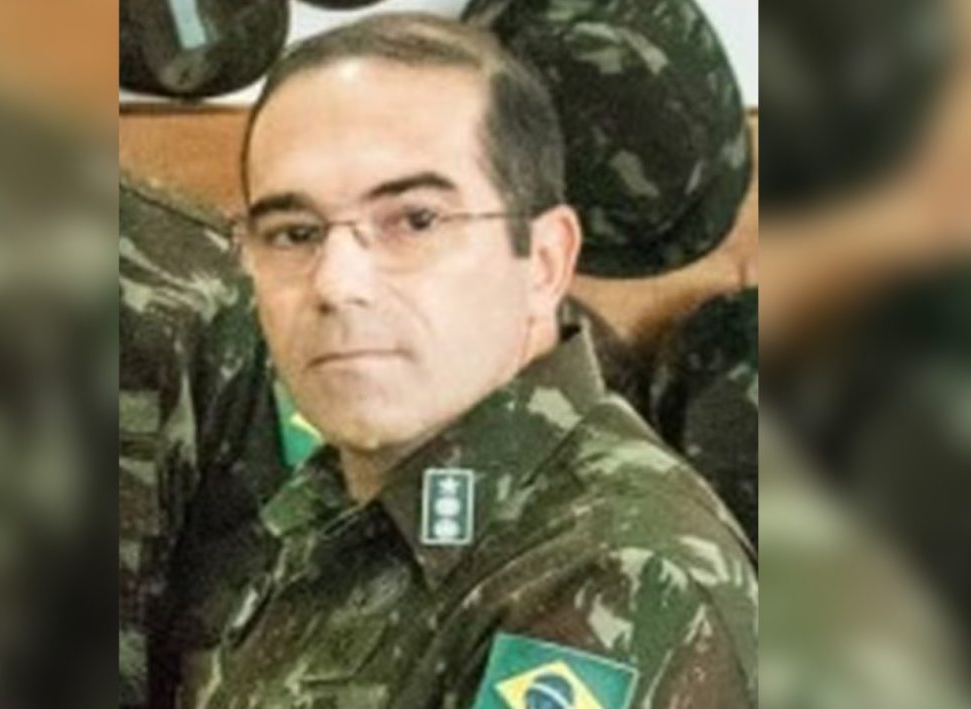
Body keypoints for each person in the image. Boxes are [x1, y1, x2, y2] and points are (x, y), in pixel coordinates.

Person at [175, 13, 756, 708]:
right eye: (294, 233)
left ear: (544, 262)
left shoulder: (615, 573)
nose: (336, 283)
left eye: (415, 220)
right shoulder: (333, 504)